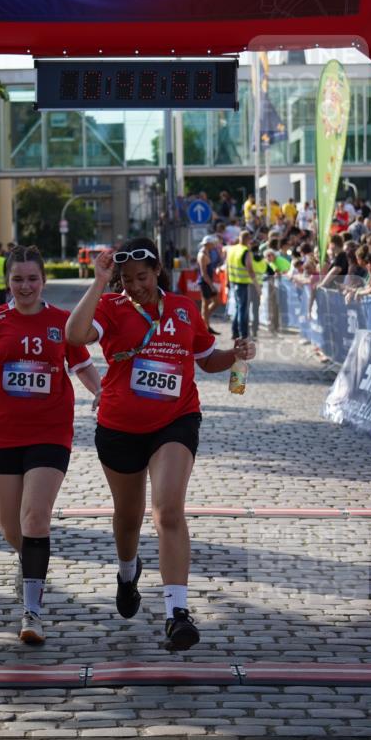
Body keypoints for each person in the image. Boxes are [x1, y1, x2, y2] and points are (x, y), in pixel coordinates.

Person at [65, 237, 256, 652]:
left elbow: (206, 359)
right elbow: (74, 334)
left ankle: (177, 613)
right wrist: (99, 282)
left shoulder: (184, 309)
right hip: (119, 426)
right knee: (128, 516)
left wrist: (235, 353)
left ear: (158, 272)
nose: (136, 286)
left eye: (143, 277)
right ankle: (127, 572)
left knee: (168, 509)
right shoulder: (112, 307)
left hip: (176, 420)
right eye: (128, 279)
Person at [0, 245, 101, 645]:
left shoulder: (62, 322)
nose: (25, 286)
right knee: (12, 529)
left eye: (32, 279)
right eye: (18, 279)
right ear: (7, 282)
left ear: (43, 281)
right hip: (2, 432)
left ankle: (32, 612)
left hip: (51, 430)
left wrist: (101, 392)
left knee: (36, 517)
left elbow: (82, 365)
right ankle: (31, 564)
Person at [226, 230, 259, 341]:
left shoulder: (232, 249)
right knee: (243, 309)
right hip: (242, 283)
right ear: (247, 239)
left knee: (238, 307)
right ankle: (244, 334)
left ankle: (235, 332)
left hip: (233, 281)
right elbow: (249, 268)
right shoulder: (245, 251)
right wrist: (257, 285)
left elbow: (227, 265)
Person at [195, 234, 222, 332]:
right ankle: (205, 325)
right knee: (205, 304)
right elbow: (204, 273)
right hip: (205, 282)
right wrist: (211, 285)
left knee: (216, 302)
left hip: (208, 281)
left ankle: (204, 320)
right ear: (208, 244)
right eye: (212, 244)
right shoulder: (202, 255)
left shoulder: (207, 252)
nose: (214, 246)